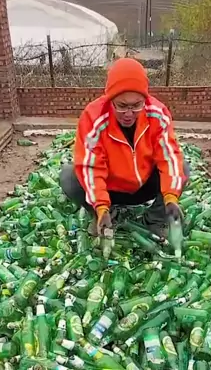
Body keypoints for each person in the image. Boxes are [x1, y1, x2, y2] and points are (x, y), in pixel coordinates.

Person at [60, 58, 187, 237]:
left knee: (182, 167)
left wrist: (171, 198)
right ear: (110, 99)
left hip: (144, 187)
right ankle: (104, 215)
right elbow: (90, 167)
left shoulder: (158, 115)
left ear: (145, 99)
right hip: (111, 190)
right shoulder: (93, 119)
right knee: (69, 177)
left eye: (136, 105)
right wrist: (101, 206)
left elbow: (169, 157)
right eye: (122, 106)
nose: (129, 114)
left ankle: (155, 220)